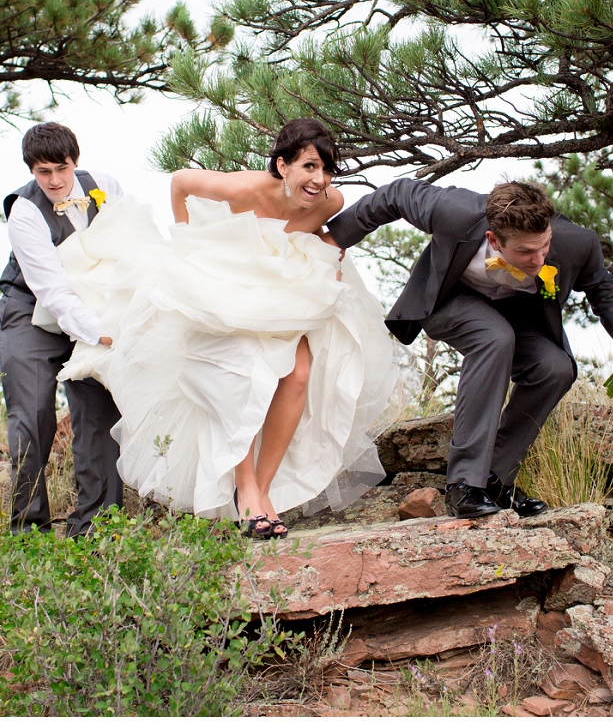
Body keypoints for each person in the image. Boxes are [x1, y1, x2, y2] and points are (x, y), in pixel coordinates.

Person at [56, 118, 396, 539]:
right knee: (243, 376)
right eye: (309, 166)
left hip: (279, 286)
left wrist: (330, 254)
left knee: (299, 376)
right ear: (282, 164)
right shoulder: (245, 189)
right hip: (224, 282)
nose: (319, 179)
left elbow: (315, 236)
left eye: (326, 170)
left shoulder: (329, 200)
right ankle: (244, 487)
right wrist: (186, 247)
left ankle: (264, 487)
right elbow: (180, 182)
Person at [326, 179, 613, 518]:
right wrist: (335, 239)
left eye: (544, 247)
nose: (539, 259)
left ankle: (494, 478)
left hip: (519, 316)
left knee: (556, 368)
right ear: (493, 239)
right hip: (449, 303)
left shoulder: (576, 242)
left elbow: (602, 287)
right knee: (494, 338)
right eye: (526, 252)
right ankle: (464, 484)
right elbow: (393, 196)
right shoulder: (454, 212)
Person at [0, 122, 124, 536]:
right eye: (42, 172)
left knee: (99, 408)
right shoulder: (25, 211)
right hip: (31, 309)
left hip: (95, 306)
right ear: (31, 171)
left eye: (60, 169)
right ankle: (29, 530)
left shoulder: (105, 187)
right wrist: (99, 332)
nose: (53, 180)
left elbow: (128, 249)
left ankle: (96, 527)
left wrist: (117, 319)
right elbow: (51, 290)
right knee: (32, 415)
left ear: (75, 161)